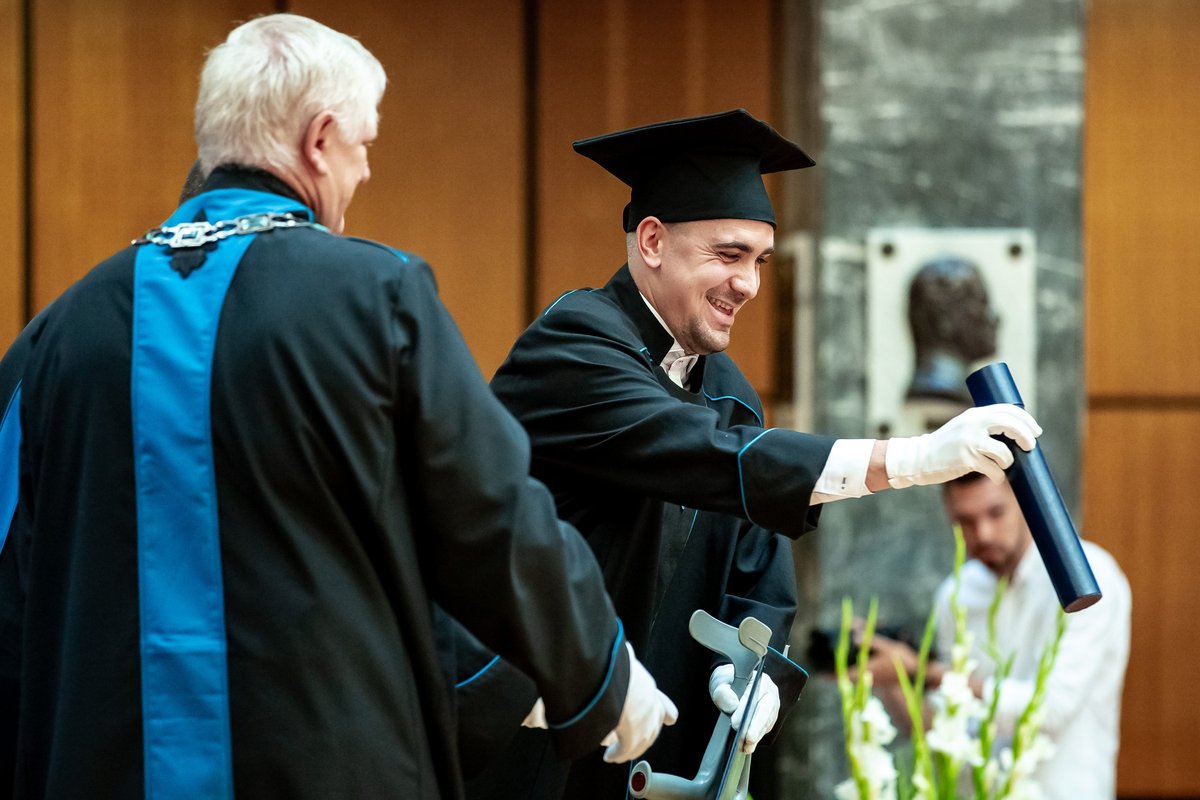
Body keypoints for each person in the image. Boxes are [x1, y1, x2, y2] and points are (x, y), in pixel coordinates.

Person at [0, 14, 679, 799]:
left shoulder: (56, 334)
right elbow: (490, 514)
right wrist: (601, 669)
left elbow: (11, 583)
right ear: (319, 140)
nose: (363, 173)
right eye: (364, 146)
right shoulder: (375, 297)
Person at [455, 109, 1043, 800]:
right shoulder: (574, 345)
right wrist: (910, 459)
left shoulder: (727, 388)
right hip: (535, 740)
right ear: (652, 241)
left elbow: (758, 570)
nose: (749, 284)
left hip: (656, 758)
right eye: (728, 255)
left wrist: (756, 670)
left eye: (759, 261)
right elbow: (705, 455)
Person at [865, 472, 1131, 799]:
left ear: (1027, 502)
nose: (983, 534)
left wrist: (928, 672)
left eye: (996, 513)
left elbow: (1049, 712)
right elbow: (942, 729)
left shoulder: (1085, 576)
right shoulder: (957, 593)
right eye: (965, 522)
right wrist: (892, 678)